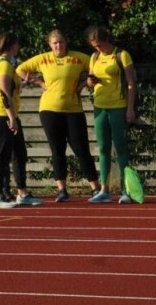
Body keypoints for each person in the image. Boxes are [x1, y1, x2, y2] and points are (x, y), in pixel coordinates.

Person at [18, 29, 97, 202]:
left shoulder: (77, 58)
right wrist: (39, 82)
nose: (58, 46)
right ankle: (61, 189)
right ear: (50, 45)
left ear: (65, 42)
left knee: (81, 149)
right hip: (49, 109)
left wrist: (84, 83)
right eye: (55, 43)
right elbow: (20, 69)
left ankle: (95, 188)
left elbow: (94, 64)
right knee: (57, 149)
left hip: (73, 109)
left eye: (61, 42)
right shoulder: (43, 59)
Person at [85, 25, 140, 204]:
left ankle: (126, 190)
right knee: (103, 148)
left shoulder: (122, 55)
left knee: (121, 147)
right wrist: (90, 81)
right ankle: (104, 189)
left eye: (99, 45)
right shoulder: (94, 57)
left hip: (118, 105)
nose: (97, 48)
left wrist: (130, 108)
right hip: (100, 106)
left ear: (107, 40)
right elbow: (90, 82)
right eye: (94, 46)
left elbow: (131, 83)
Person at [0, 31, 41, 209]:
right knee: (1, 155)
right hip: (1, 114)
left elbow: (12, 87)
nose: (18, 47)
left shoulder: (9, 65)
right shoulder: (3, 65)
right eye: (17, 44)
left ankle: (22, 192)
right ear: (11, 45)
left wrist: (25, 83)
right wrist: (11, 118)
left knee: (19, 153)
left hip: (10, 114)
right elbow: (4, 93)